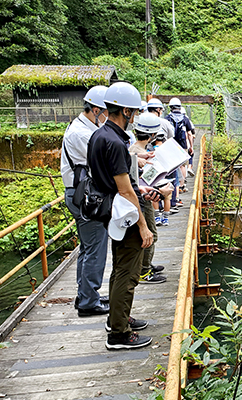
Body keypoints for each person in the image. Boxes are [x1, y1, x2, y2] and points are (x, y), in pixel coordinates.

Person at [87, 82, 158, 350]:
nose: (134, 118)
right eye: (134, 112)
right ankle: (118, 333)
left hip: (113, 213)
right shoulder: (115, 142)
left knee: (119, 270)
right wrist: (143, 226)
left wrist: (142, 190)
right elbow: (126, 190)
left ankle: (118, 318)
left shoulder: (99, 135)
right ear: (126, 111)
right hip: (125, 214)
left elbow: (117, 182)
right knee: (128, 275)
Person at [61, 85, 110, 317]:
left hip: (78, 193)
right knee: (96, 249)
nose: (109, 116)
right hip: (85, 197)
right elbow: (102, 163)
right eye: (108, 111)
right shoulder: (82, 134)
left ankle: (86, 295)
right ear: (97, 110)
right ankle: (89, 302)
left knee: (87, 248)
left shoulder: (81, 127)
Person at [128, 113, 169, 284]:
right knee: (150, 234)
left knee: (149, 233)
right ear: (152, 135)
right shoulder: (137, 152)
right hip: (142, 197)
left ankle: (146, 265)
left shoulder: (134, 150)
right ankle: (144, 271)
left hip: (141, 195)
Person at [166, 98, 195, 196]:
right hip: (183, 145)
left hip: (171, 144)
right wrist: (191, 146)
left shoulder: (167, 118)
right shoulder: (185, 119)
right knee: (183, 165)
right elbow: (190, 133)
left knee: (172, 165)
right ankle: (182, 185)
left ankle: (174, 186)